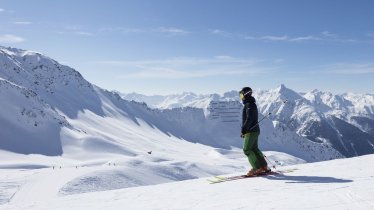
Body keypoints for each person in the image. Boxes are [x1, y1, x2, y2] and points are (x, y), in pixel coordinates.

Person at [239, 87, 269, 176]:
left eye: (241, 95)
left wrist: (244, 130)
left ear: (246, 94)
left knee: (247, 149)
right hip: (255, 130)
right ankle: (264, 166)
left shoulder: (249, 104)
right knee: (254, 149)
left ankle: (257, 168)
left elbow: (249, 118)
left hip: (251, 131)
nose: (240, 97)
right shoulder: (251, 104)